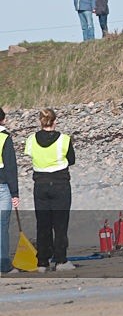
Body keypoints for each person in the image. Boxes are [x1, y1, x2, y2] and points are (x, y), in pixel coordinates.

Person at [24, 109, 76, 272]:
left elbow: (30, 155)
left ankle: (42, 262)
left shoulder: (31, 139)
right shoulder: (64, 139)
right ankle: (60, 260)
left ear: (41, 121)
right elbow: (71, 160)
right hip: (59, 183)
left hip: (40, 184)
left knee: (43, 224)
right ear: (55, 121)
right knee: (60, 224)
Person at [0, 107, 20, 274]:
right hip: (3, 186)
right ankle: (4, 264)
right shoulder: (5, 138)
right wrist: (15, 193)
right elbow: (11, 167)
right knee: (2, 226)